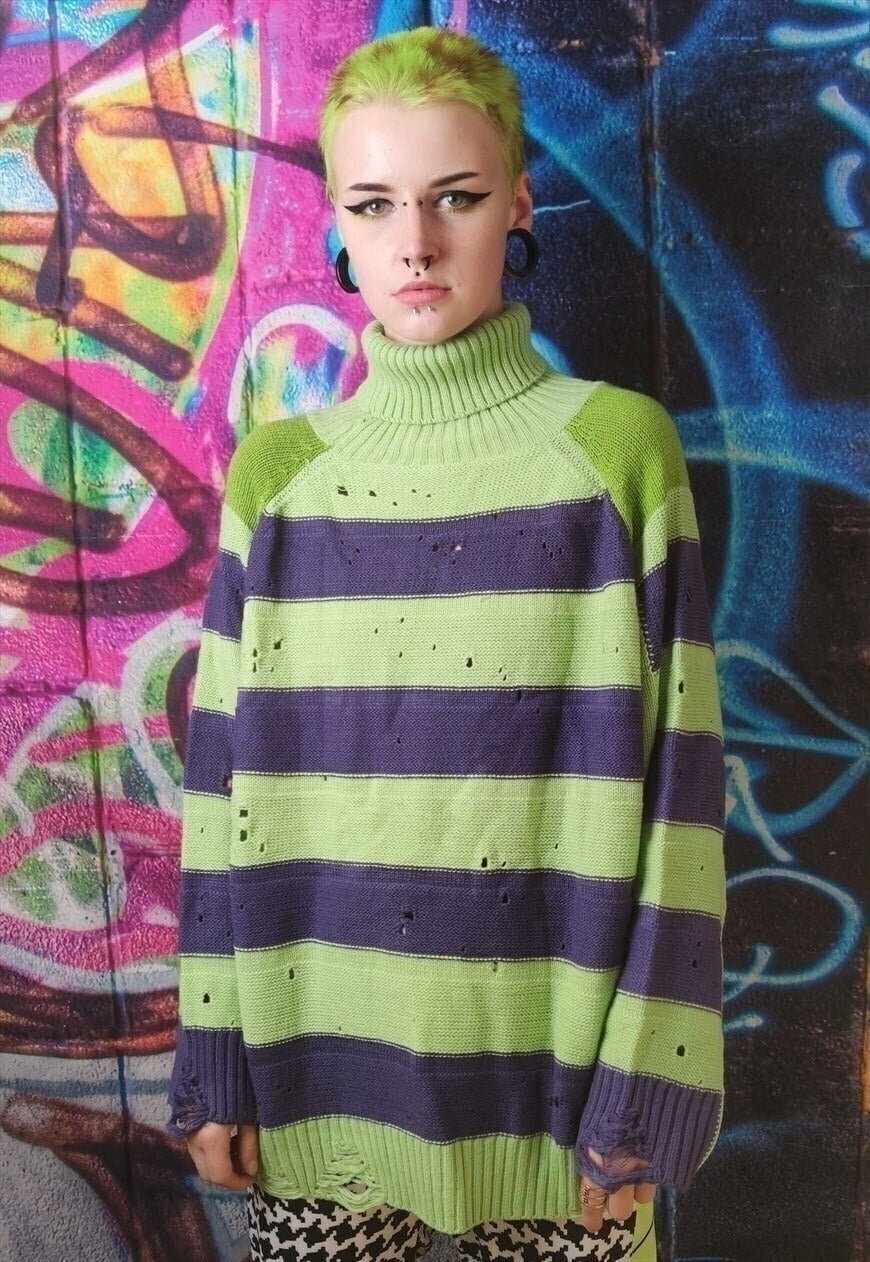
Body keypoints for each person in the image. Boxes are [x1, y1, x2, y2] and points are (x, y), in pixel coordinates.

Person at [166, 24, 726, 1262]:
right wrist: (214, 1049)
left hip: (563, 1121)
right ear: (338, 221)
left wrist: (650, 1083)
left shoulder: (616, 452)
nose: (414, 243)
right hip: (316, 1090)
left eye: (455, 197)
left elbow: (681, 793)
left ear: (517, 203)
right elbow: (220, 791)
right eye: (373, 204)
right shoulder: (280, 479)